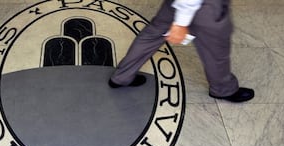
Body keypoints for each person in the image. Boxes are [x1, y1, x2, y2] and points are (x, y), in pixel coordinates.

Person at [108, 0, 254, 102]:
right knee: (216, 50)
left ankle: (122, 76)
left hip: (178, 2)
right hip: (201, 5)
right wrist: (181, 22)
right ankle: (223, 89)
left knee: (152, 35)